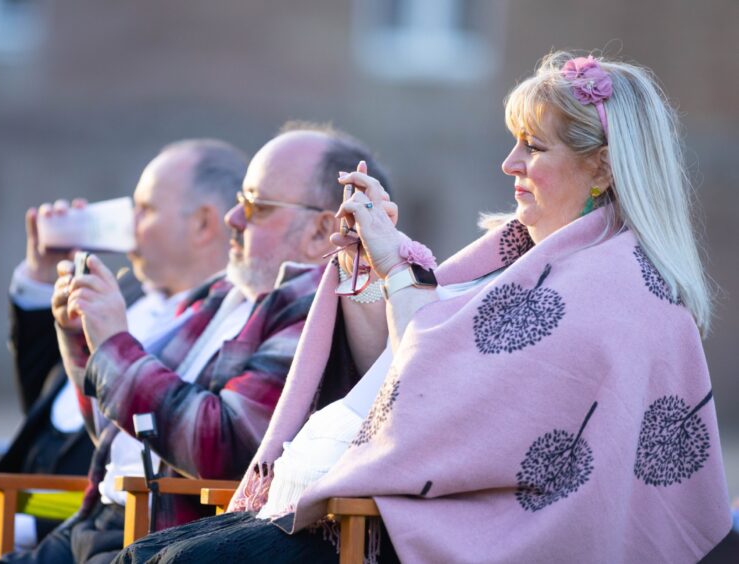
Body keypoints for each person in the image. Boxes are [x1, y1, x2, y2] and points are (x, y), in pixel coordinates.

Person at [115, 51, 731, 564]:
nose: (509, 164)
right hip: (364, 519)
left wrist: (394, 267)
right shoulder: (523, 257)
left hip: (428, 540)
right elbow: (397, 372)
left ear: (600, 164)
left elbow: (438, 394)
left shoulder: (615, 285)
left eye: (534, 148)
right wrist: (373, 272)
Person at [0, 124, 389, 564]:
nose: (232, 219)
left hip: (155, 533)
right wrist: (86, 338)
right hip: (94, 523)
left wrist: (115, 344)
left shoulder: (312, 309)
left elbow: (221, 445)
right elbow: (122, 426)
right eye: (239, 202)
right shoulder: (218, 293)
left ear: (320, 231)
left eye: (254, 206)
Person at [0, 139, 246, 564]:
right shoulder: (122, 290)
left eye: (145, 210)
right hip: (2, 503)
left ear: (203, 224)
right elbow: (45, 401)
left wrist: (19, 524)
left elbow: (162, 478)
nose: (129, 225)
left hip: (59, 528)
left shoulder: (223, 329)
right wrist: (41, 277)